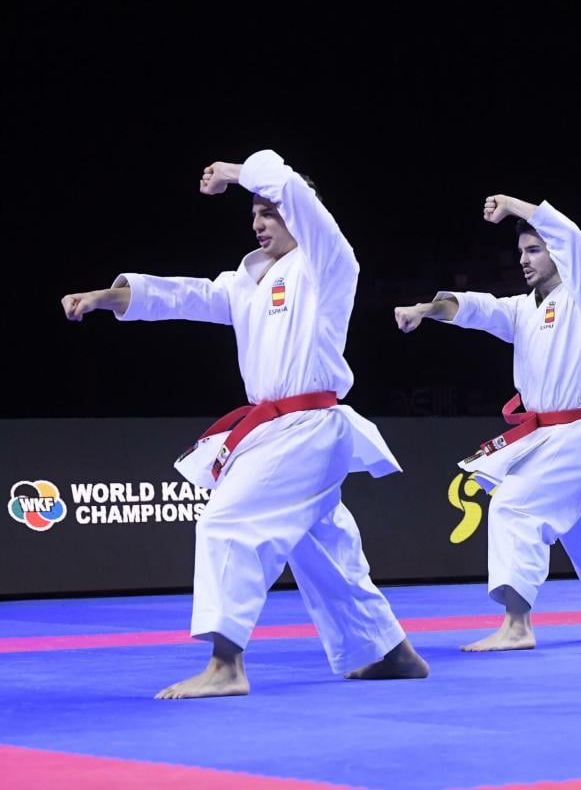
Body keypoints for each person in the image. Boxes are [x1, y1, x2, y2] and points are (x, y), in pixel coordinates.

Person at [61, 150, 429, 698]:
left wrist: (236, 173)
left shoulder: (326, 265)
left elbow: (294, 193)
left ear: (299, 213)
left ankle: (226, 665)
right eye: (254, 213)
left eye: (270, 212)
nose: (258, 223)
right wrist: (107, 298)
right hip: (275, 429)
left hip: (309, 424)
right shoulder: (247, 282)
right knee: (322, 547)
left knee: (226, 522)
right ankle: (387, 651)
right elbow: (187, 295)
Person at [393, 194, 581, 651]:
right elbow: (475, 309)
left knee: (514, 506)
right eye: (521, 251)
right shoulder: (524, 308)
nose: (524, 260)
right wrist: (426, 311)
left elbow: (576, 241)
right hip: (547, 436)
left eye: (534, 250)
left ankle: (517, 625)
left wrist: (515, 205)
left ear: (556, 253)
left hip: (580, 433)